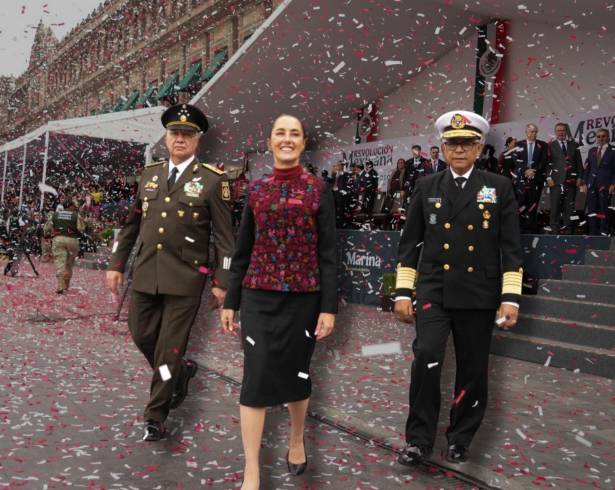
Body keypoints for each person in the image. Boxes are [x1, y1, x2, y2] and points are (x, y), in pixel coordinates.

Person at [394, 110, 522, 466]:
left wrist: (509, 298)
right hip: (435, 289)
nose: (460, 150)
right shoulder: (426, 187)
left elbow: (511, 249)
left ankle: (460, 438)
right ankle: (418, 440)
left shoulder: (498, 188)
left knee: (472, 369)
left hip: (479, 293)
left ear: (479, 148)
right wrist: (404, 292)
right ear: (444, 149)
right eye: (453, 144)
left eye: (467, 144)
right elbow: (410, 245)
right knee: (426, 358)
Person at [221, 114, 337, 490]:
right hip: (258, 294)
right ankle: (251, 470)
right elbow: (242, 250)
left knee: (295, 373)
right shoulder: (255, 190)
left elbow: (330, 252)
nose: (287, 139)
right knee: (255, 376)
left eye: (295, 134)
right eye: (280, 133)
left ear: (304, 143)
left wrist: (329, 306)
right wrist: (231, 301)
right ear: (270, 141)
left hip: (304, 296)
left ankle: (296, 437)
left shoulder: (319, 189)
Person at [105, 104, 234, 442]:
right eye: (175, 133)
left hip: (186, 279)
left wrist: (223, 282)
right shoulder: (149, 175)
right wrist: (117, 263)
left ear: (198, 140)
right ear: (166, 137)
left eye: (187, 134)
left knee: (168, 349)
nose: (180, 138)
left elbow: (225, 238)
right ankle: (179, 375)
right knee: (141, 335)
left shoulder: (212, 180)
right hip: (147, 272)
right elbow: (131, 224)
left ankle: (156, 413)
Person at [546, 122, 584, 234]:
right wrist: (549, 178)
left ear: (566, 131)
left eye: (563, 130)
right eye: (558, 130)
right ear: (555, 132)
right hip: (556, 181)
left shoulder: (574, 145)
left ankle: (568, 230)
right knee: (555, 207)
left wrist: (580, 178)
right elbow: (547, 164)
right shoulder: (550, 146)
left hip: (571, 182)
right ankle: (554, 230)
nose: (561, 132)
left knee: (569, 208)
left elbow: (579, 163)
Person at [44, 201, 85, 293]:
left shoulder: (55, 214)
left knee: (60, 263)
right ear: (71, 206)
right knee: (69, 264)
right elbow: (81, 228)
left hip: (58, 239)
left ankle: (60, 286)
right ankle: (66, 286)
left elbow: (47, 227)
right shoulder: (76, 215)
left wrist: (47, 234)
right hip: (72, 240)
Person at [515, 124, 548, 233]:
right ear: (526, 132)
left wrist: (533, 170)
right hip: (522, 180)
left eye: (535, 131)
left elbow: (544, 161)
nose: (533, 134)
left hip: (536, 180)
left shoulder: (542, 145)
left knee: (533, 203)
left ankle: (531, 229)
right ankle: (519, 227)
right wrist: (526, 170)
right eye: (531, 131)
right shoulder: (518, 144)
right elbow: (516, 161)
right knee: (521, 203)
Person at [583, 128, 615, 236]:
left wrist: (613, 184)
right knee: (592, 211)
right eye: (598, 136)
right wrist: (585, 183)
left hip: (606, 186)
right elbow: (587, 168)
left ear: (608, 137)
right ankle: (593, 235)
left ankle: (603, 234)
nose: (601, 138)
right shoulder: (592, 150)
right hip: (592, 185)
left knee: (604, 210)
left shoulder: (613, 150)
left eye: (603, 136)